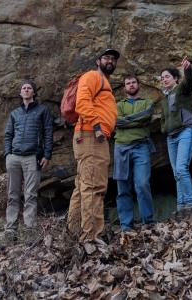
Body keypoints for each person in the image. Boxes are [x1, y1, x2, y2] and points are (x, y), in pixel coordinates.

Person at [67, 48, 119, 244]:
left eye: (113, 59)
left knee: (83, 187)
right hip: (92, 135)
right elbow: (82, 103)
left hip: (91, 136)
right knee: (94, 186)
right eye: (106, 58)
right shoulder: (92, 76)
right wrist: (97, 125)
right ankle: (91, 237)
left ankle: (74, 234)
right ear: (98, 61)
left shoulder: (104, 82)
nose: (110, 61)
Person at [4, 80, 53, 243]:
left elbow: (48, 133)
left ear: (33, 92)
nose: (26, 90)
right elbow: (8, 135)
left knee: (30, 194)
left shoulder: (42, 111)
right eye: (23, 88)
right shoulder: (15, 113)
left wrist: (47, 155)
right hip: (14, 158)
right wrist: (7, 155)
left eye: (29, 88)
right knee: (12, 195)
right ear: (20, 93)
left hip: (33, 157)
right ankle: (10, 231)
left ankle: (30, 231)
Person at [113, 74, 155, 231]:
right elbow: (116, 121)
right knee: (123, 187)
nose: (131, 85)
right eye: (128, 83)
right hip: (121, 147)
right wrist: (135, 120)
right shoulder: (118, 105)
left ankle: (149, 222)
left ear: (139, 85)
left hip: (141, 146)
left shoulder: (147, 103)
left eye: (133, 82)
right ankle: (126, 225)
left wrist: (126, 121)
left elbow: (146, 117)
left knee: (142, 184)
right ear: (124, 88)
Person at [160, 57, 192, 217]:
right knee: (176, 173)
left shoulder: (181, 89)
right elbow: (163, 117)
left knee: (182, 169)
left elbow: (189, 82)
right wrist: (164, 128)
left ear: (175, 78)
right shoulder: (164, 98)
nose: (164, 80)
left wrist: (188, 69)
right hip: (171, 136)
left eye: (167, 76)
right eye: (162, 78)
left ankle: (190, 204)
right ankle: (181, 206)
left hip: (185, 131)